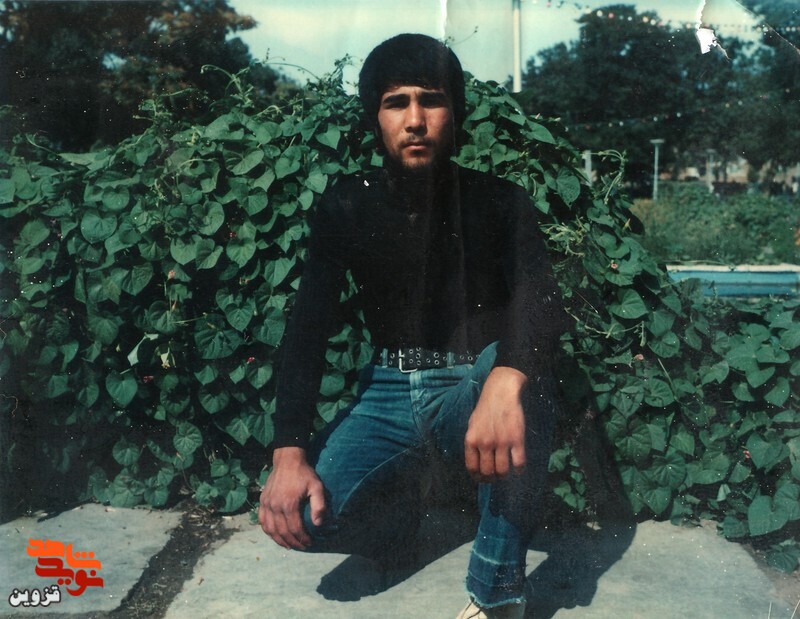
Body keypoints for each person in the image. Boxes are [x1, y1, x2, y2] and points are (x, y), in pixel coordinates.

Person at [258, 33, 568, 619]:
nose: (416, 120)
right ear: (375, 117)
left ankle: (496, 591)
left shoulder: (500, 201)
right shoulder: (347, 204)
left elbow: (542, 303)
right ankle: (407, 518)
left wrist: (505, 380)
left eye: (432, 100)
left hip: (473, 389)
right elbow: (307, 329)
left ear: (456, 112)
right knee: (303, 516)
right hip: (387, 394)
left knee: (522, 376)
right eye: (396, 102)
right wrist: (288, 454)